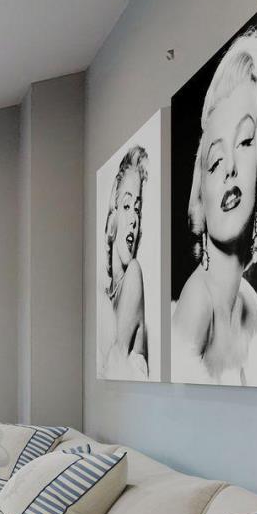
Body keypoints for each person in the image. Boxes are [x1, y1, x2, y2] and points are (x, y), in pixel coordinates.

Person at [173, 29, 257, 386]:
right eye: (216, 160)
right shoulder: (196, 303)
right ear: (201, 192)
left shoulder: (251, 307)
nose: (230, 168)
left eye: (246, 142)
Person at [99, 145, 150, 379]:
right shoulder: (104, 297)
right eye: (127, 206)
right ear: (113, 219)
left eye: (137, 209)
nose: (133, 219)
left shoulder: (134, 274)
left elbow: (113, 365)